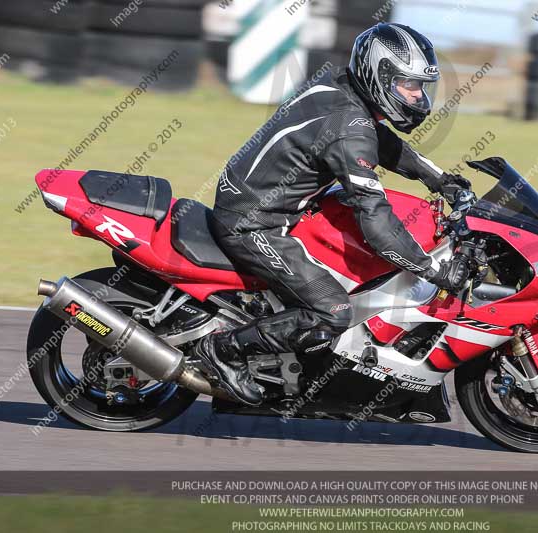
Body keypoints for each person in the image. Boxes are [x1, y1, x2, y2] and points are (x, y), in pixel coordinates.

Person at [195, 22, 471, 405]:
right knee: (336, 311)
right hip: (255, 223)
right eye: (409, 85)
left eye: (421, 86)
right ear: (381, 76)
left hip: (267, 202)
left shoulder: (342, 89)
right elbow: (376, 221)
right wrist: (431, 270)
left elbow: (383, 142)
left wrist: (440, 179)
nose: (417, 96)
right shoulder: (348, 128)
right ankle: (223, 350)